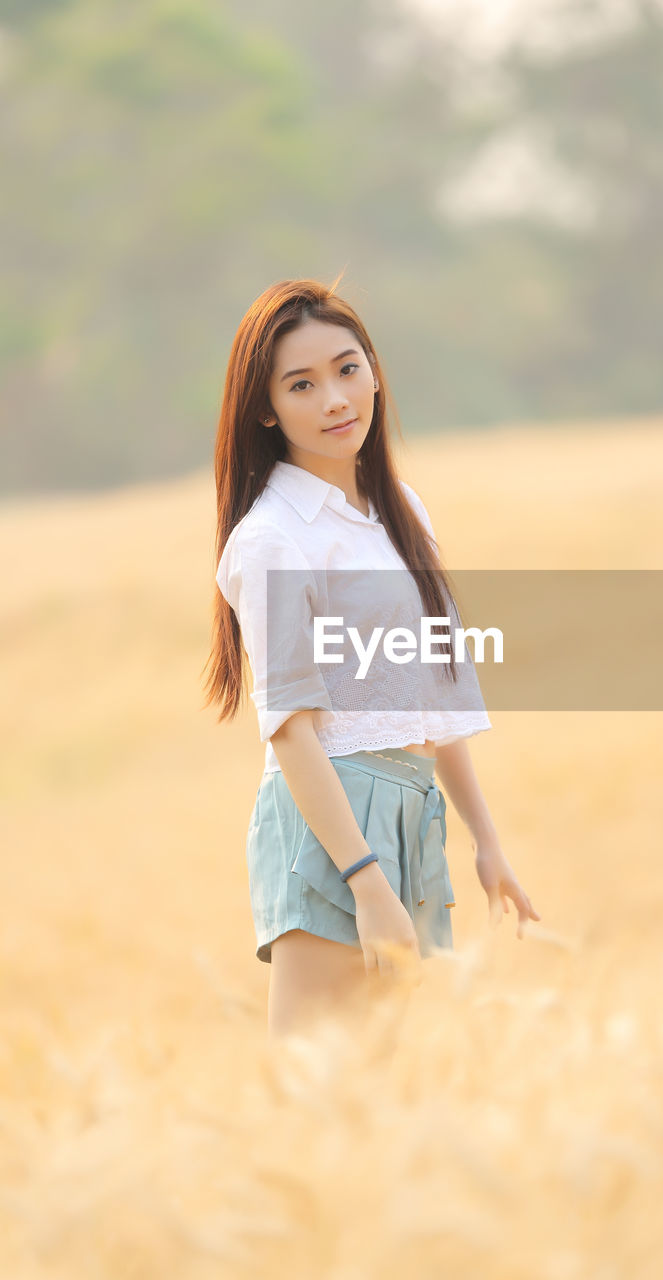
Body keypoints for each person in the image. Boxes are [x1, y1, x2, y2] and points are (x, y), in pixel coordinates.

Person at [203, 274, 540, 1038]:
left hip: (411, 808)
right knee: (317, 1081)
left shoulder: (398, 511)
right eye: (301, 384)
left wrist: (486, 841)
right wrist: (364, 880)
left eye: (347, 369)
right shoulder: (271, 539)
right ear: (265, 407)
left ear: (375, 371)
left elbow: (431, 693)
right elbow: (290, 729)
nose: (334, 400)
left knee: (402, 1087)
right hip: (333, 818)